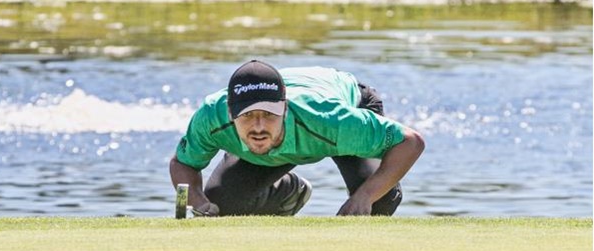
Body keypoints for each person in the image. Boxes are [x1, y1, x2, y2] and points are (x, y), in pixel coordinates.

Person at [170, 60, 425, 216]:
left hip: (343, 108)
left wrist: (366, 196)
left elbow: (410, 142)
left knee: (376, 205)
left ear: (285, 108)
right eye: (247, 116)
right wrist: (197, 201)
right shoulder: (211, 116)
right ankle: (290, 192)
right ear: (230, 114)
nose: (258, 126)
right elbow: (183, 163)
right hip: (309, 125)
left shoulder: (332, 120)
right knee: (221, 205)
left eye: (269, 114)